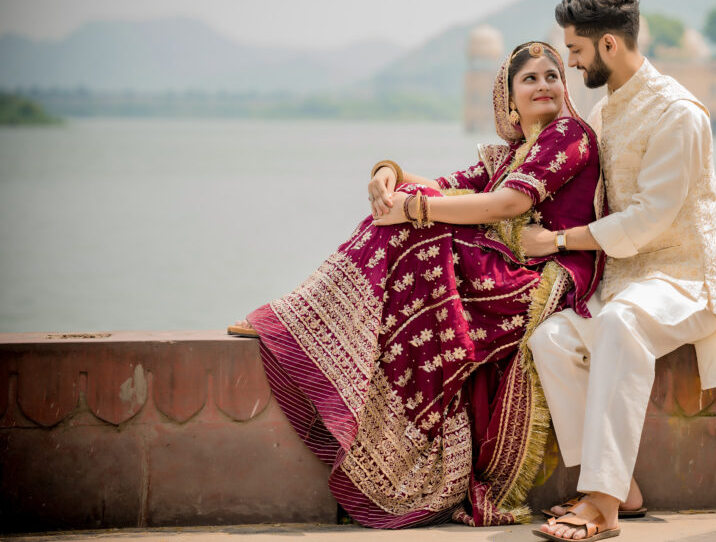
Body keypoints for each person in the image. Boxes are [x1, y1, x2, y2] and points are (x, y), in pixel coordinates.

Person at [228, 41, 606, 529]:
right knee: (410, 206)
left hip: (541, 280)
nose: (544, 85)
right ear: (509, 99)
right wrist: (391, 173)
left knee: (417, 229)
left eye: (552, 75)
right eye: (530, 79)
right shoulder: (512, 152)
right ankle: (316, 320)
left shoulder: (569, 134)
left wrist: (415, 209)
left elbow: (507, 204)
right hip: (506, 263)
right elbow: (447, 186)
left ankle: (311, 318)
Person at [522, 0, 716, 541]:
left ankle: (602, 504)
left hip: (682, 282)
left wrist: (557, 242)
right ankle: (621, 486)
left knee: (622, 324)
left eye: (574, 51)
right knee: (550, 339)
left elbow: (649, 219)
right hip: (623, 281)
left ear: (607, 47)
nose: (570, 63)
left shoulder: (677, 113)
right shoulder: (605, 112)